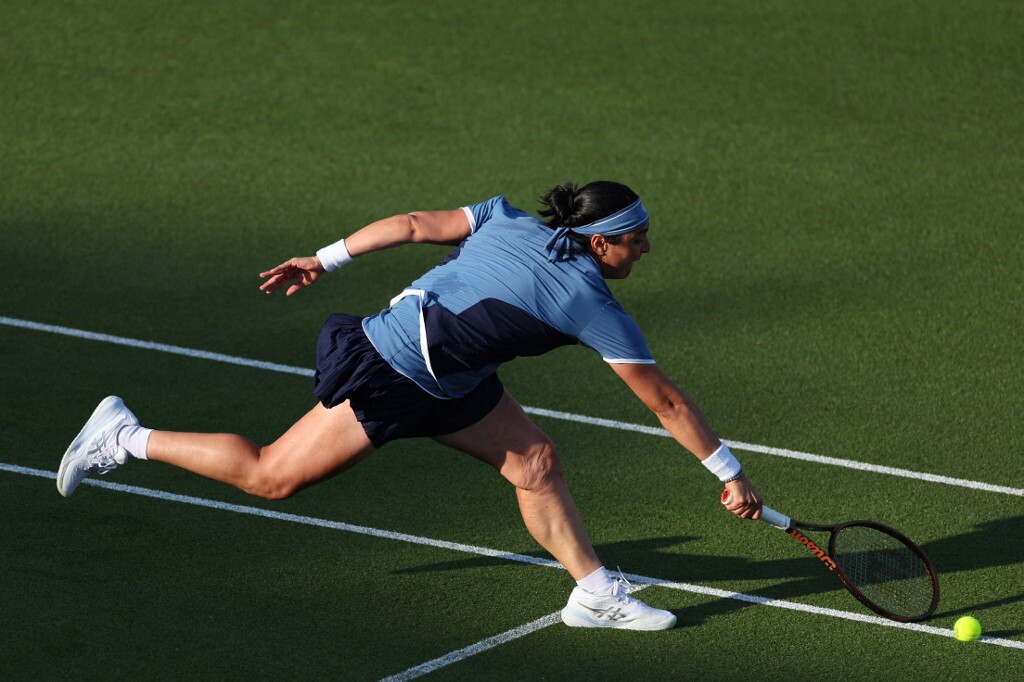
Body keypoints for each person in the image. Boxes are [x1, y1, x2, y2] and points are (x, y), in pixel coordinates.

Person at [57, 180, 763, 631]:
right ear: (600, 241)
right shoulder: (589, 303)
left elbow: (415, 223)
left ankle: (593, 594)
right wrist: (728, 473)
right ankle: (125, 436)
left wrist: (324, 257)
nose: (646, 249)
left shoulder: (506, 217)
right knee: (271, 476)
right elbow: (667, 402)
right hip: (395, 369)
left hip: (456, 378)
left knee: (536, 463)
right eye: (637, 240)